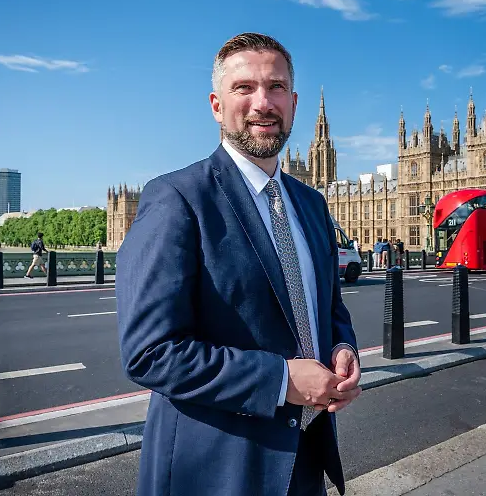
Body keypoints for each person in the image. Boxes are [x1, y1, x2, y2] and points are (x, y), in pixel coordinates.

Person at [116, 32, 361, 496]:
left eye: (276, 88)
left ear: (293, 102)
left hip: (306, 460)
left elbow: (329, 309)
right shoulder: (177, 199)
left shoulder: (311, 204)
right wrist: (282, 379)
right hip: (216, 468)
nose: (262, 103)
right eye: (244, 88)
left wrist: (342, 349)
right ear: (215, 104)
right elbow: (149, 353)